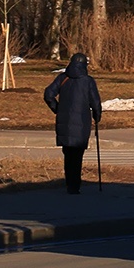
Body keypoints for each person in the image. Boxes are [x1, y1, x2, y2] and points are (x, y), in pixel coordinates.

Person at [43, 52, 102, 194]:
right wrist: (97, 115)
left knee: (68, 154)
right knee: (77, 155)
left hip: (64, 121)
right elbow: (95, 102)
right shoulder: (88, 81)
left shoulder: (63, 78)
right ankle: (74, 186)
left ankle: (70, 182)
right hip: (81, 122)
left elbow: (48, 94)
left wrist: (57, 108)